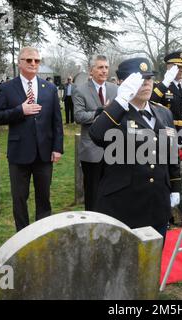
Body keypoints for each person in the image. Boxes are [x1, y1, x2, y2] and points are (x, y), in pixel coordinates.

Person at [89, 57, 181, 239]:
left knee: (154, 262)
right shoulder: (113, 114)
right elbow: (97, 135)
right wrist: (121, 100)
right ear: (123, 83)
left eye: (149, 78)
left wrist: (175, 186)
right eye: (139, 79)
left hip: (157, 204)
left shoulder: (164, 113)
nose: (146, 83)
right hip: (124, 206)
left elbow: (171, 153)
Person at [0, 46, 64, 232]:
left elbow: (57, 122)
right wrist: (20, 111)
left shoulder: (49, 88)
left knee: (44, 198)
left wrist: (57, 147)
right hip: (19, 153)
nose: (33, 64)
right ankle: (22, 237)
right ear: (19, 62)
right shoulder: (7, 88)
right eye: (29, 60)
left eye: (37, 61)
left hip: (44, 153)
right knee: (19, 198)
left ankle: (42, 234)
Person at [73, 55, 118, 211]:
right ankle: (92, 226)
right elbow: (78, 116)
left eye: (106, 67)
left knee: (111, 191)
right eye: (100, 67)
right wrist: (99, 114)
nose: (104, 71)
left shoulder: (115, 89)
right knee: (92, 193)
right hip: (91, 149)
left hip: (113, 148)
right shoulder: (81, 90)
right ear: (91, 70)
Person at [150, 51, 182, 132]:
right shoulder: (161, 87)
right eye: (178, 67)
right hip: (168, 130)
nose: (181, 70)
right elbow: (151, 102)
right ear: (169, 68)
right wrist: (165, 83)